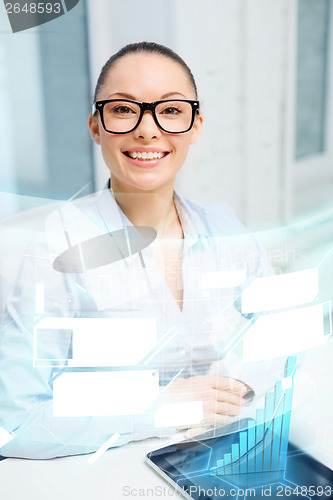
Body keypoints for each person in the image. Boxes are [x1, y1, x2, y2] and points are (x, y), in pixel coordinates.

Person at [0, 42, 276, 459]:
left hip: (228, 451)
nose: (148, 130)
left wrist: (240, 384)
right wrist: (163, 407)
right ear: (96, 127)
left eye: (170, 110)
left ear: (195, 125)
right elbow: (15, 423)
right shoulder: (57, 252)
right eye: (124, 109)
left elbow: (279, 334)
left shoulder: (224, 229)